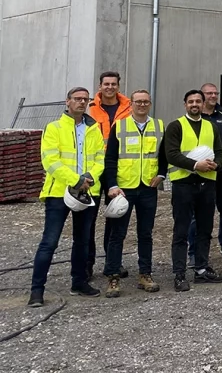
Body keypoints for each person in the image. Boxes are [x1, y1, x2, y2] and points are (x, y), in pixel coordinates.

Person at [28, 87, 105, 307]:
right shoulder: (54, 128)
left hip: (86, 191)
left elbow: (100, 157)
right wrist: (75, 179)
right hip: (58, 193)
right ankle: (36, 291)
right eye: (77, 99)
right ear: (68, 102)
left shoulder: (94, 129)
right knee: (49, 242)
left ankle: (79, 282)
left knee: (82, 240)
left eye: (85, 99)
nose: (82, 102)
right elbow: (50, 161)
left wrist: (90, 176)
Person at [101, 89, 165, 297]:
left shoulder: (158, 126)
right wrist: (111, 185)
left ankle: (144, 274)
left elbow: (163, 155)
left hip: (148, 187)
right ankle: (113, 276)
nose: (142, 105)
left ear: (150, 103)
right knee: (117, 234)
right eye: (138, 102)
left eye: (146, 102)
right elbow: (110, 159)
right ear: (131, 104)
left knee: (145, 233)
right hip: (123, 188)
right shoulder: (119, 126)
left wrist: (162, 174)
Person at [165, 89, 222, 292]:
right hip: (184, 184)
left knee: (205, 229)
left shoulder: (210, 127)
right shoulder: (176, 126)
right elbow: (172, 154)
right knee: (181, 231)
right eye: (191, 101)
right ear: (185, 104)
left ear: (203, 104)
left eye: (198, 101)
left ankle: (201, 269)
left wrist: (216, 165)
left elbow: (220, 152)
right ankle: (180, 274)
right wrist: (195, 165)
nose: (194, 104)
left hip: (207, 184)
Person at [87, 71, 131, 279]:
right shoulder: (90, 110)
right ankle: (87, 263)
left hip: (118, 168)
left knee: (115, 216)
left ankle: (113, 262)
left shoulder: (129, 108)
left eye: (114, 84)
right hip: (95, 167)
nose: (110, 87)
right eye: (106, 84)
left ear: (118, 86)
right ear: (100, 86)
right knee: (89, 217)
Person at [190, 82, 222, 263]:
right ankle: (193, 252)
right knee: (196, 214)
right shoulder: (193, 117)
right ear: (201, 96)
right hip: (199, 173)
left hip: (221, 172)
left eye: (215, 93)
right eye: (209, 93)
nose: (213, 96)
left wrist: (220, 164)